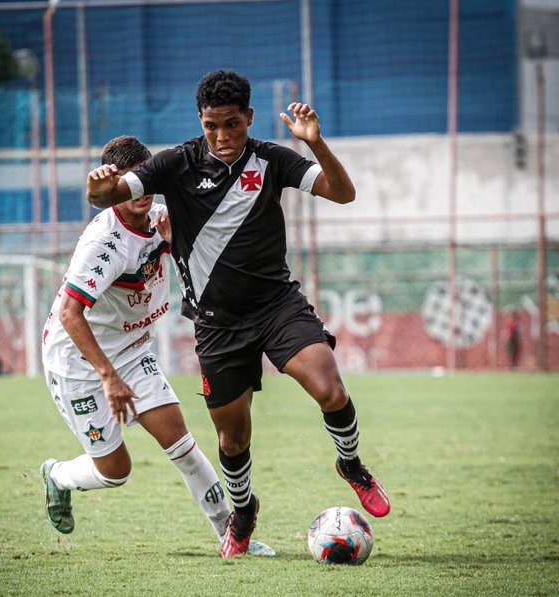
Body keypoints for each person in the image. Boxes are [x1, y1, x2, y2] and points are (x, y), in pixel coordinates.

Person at [86, 71, 390, 558]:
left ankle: (351, 465)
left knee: (331, 390)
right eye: (212, 126)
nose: (223, 137)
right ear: (200, 122)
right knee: (232, 437)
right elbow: (106, 198)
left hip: (277, 305)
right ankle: (244, 512)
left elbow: (342, 192)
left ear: (249, 117)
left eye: (233, 124)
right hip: (216, 323)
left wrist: (317, 144)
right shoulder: (175, 164)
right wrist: (99, 186)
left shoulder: (272, 160)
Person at [40, 134, 274, 556]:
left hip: (130, 350)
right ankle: (57, 475)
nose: (141, 193)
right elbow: (69, 315)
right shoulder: (103, 245)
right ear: (113, 189)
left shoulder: (164, 219)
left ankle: (233, 537)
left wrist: (173, 242)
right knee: (115, 471)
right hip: (77, 360)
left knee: (181, 444)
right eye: (128, 184)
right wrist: (107, 377)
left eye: (143, 181)